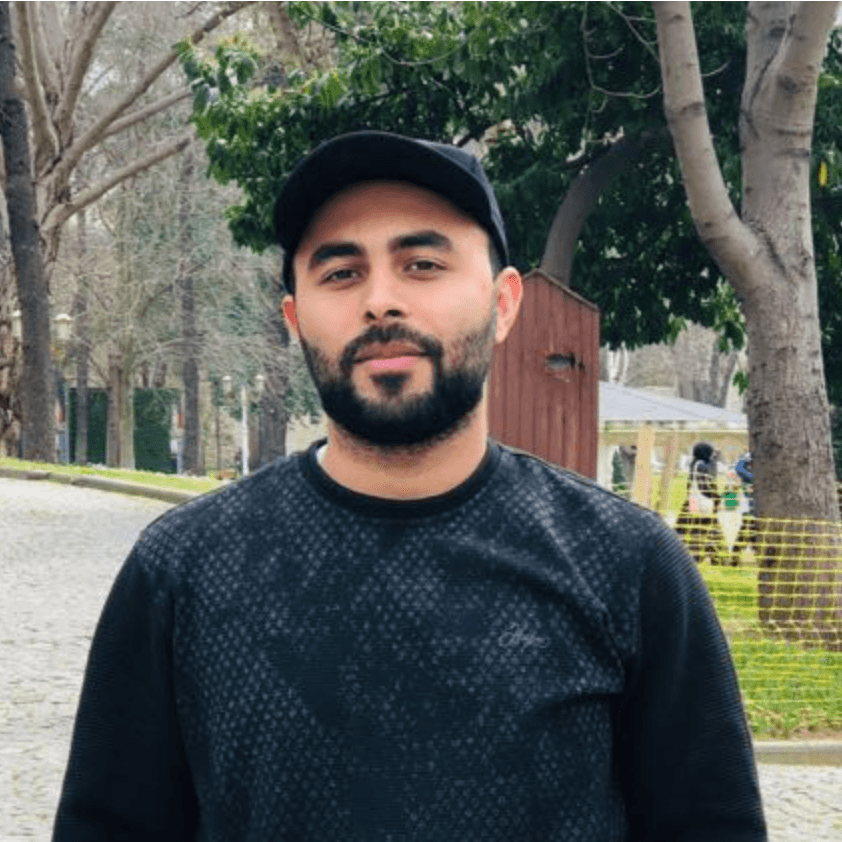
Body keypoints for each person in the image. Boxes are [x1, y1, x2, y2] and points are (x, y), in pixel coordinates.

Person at [52, 131, 766, 841]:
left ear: (504, 303)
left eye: (422, 264)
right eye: (341, 273)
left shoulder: (628, 566)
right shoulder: (180, 572)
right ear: (295, 320)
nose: (380, 302)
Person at [674, 441, 731, 565]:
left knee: (695, 529)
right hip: (702, 502)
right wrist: (717, 498)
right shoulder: (701, 465)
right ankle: (716, 557)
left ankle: (707, 556)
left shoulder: (696, 463)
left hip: (694, 501)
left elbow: (694, 484)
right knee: (704, 528)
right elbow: (705, 486)